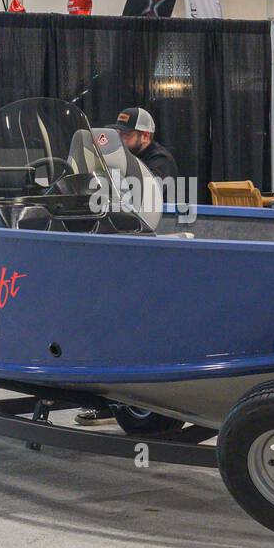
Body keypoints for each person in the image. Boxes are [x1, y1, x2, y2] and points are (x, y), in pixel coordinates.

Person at [74, 107, 178, 428]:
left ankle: (118, 401)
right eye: (118, 134)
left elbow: (145, 204)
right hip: (118, 246)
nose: (120, 139)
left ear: (145, 136)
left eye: (127, 135)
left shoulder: (159, 163)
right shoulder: (115, 159)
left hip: (152, 249)